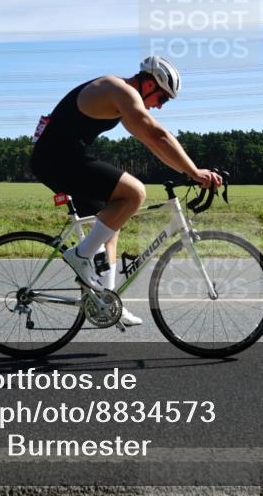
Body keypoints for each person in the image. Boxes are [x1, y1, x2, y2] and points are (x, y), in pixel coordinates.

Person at [29, 56, 223, 326]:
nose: (159, 106)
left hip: (61, 159)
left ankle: (106, 302)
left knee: (112, 220)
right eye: (163, 98)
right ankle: (80, 256)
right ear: (149, 84)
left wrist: (186, 171)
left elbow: (152, 143)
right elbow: (157, 135)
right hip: (56, 160)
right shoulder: (119, 90)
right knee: (134, 193)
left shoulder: (122, 96)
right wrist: (193, 171)